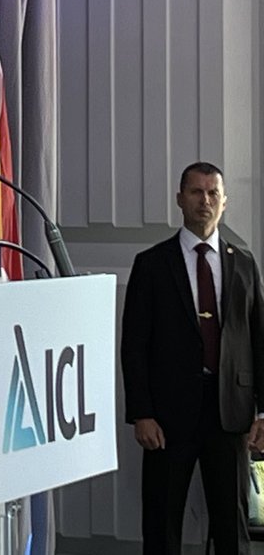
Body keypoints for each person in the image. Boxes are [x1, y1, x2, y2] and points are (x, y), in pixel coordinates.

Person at [121, 161, 264, 555]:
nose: (205, 201)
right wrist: (141, 412)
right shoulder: (151, 264)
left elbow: (258, 339)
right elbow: (134, 345)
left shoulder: (244, 264)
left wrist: (263, 412)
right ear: (180, 199)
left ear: (224, 202)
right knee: (162, 520)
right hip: (167, 416)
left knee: (231, 523)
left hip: (229, 413)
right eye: (197, 192)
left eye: (213, 193)